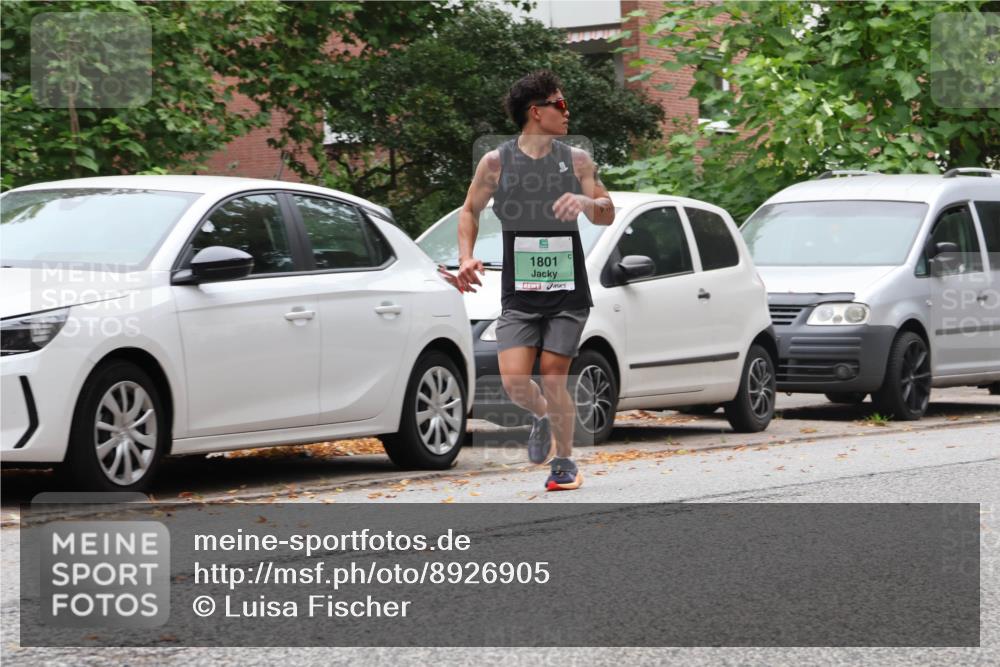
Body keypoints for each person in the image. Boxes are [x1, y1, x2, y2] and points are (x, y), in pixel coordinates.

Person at [453, 70, 614, 491]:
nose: (567, 111)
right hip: (520, 293)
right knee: (513, 382)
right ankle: (542, 415)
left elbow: (606, 210)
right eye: (560, 104)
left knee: (554, 374)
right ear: (536, 111)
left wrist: (585, 200)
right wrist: (466, 257)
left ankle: (564, 463)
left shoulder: (577, 160)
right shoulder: (496, 163)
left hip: (566, 292)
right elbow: (469, 211)